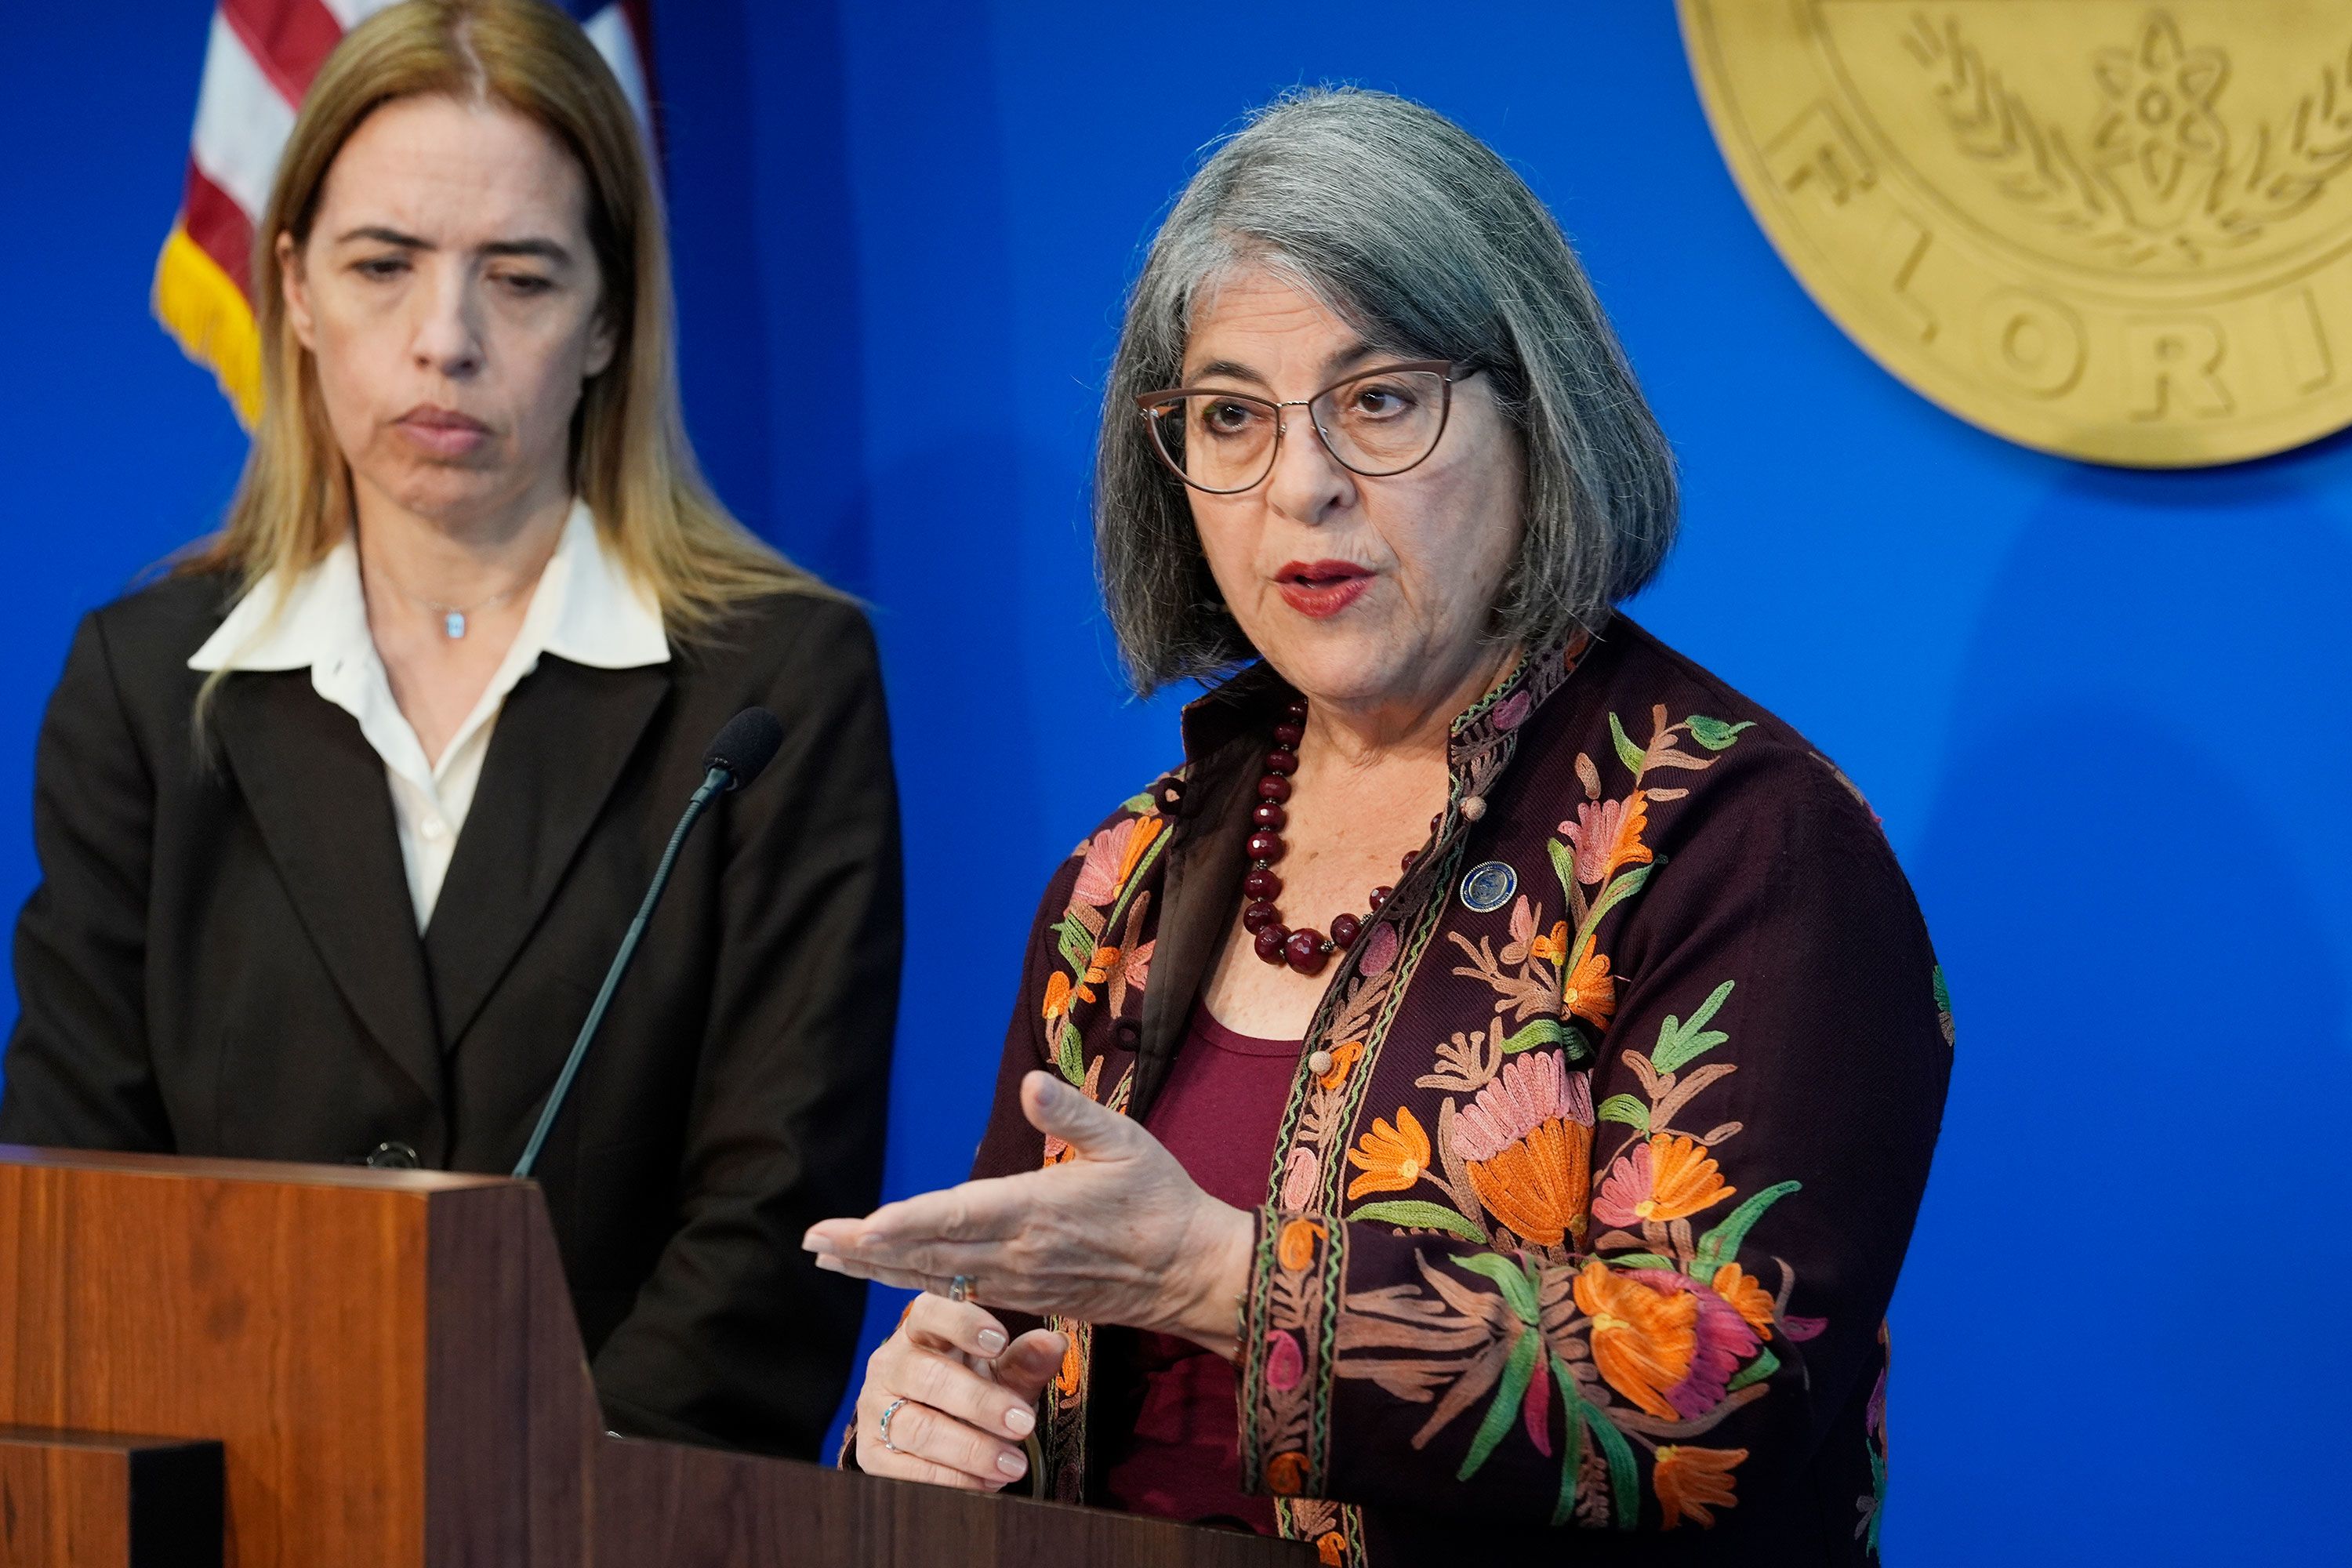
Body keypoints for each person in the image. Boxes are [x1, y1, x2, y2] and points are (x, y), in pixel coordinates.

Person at [807, 88, 1947, 1559]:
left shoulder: (1743, 843)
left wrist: (1224, 1278)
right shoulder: (1120, 886)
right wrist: (919, 1426)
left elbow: (1720, 1417)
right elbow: (1004, 1330)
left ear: (1538, 414)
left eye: (1380, 400)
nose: (1303, 486)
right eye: (1230, 416)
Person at [0, 0, 898, 1458]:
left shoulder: (780, 686)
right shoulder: (143, 685)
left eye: (523, 277)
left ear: (610, 312)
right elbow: (86, 1214)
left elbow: (769, 1230)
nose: (447, 341)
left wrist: (522, 1509)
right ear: (290, 288)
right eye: (383, 265)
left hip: (616, 1528)